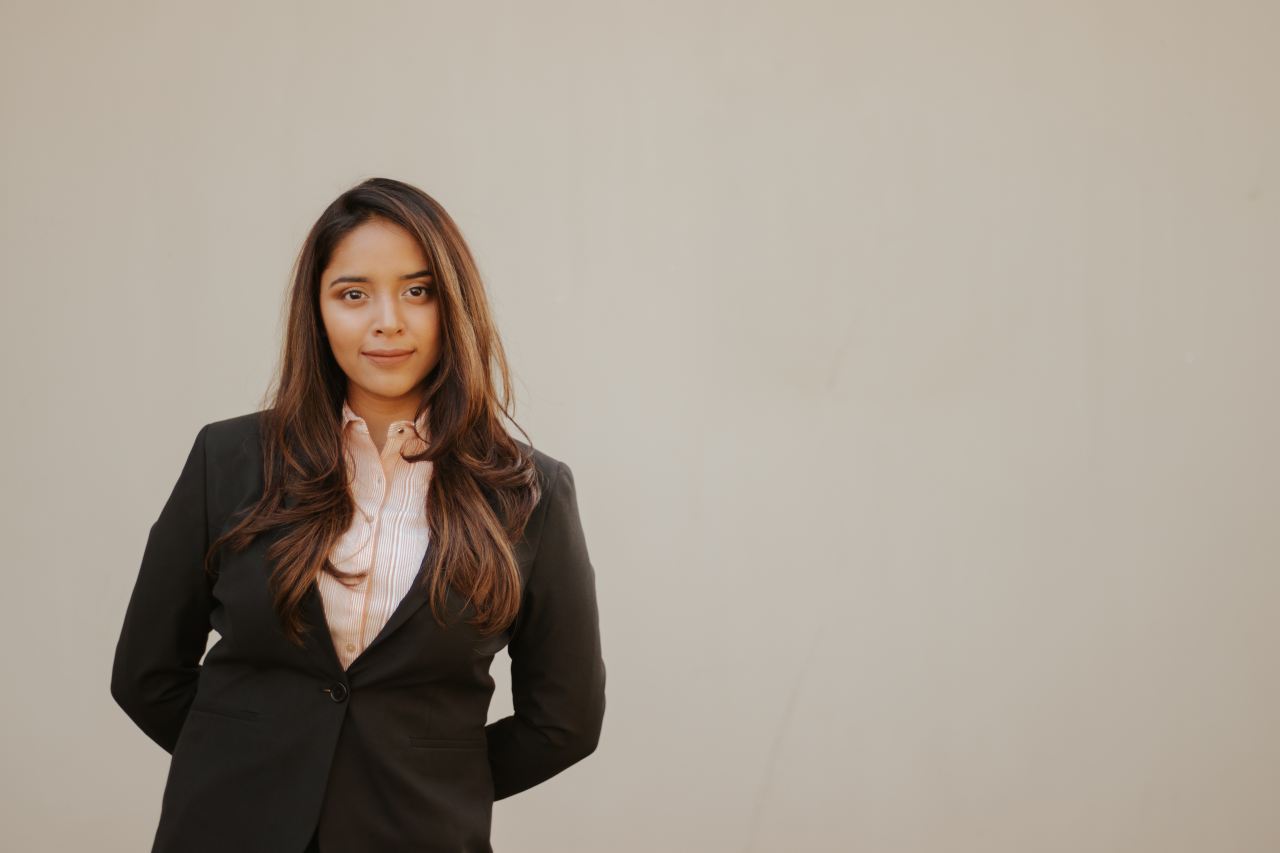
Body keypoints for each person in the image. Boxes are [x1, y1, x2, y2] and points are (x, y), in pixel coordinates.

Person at [110, 177, 607, 853]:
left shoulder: (531, 491)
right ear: (316, 309)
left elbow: (567, 720)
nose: (387, 321)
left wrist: (432, 780)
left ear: (452, 304)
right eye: (352, 293)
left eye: (418, 289)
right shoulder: (226, 460)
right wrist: (255, 768)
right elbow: (146, 675)